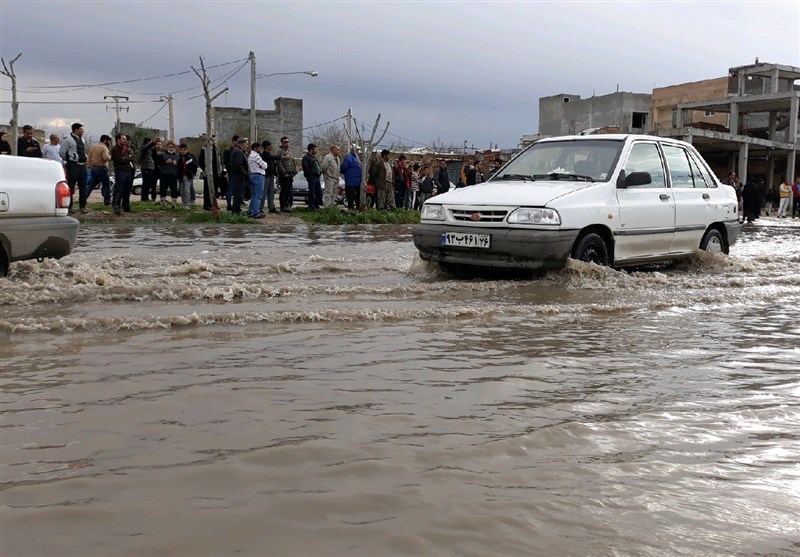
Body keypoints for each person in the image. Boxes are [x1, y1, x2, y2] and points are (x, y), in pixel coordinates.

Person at [59, 122, 88, 213]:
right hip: (73, 165)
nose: (83, 131)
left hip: (82, 165)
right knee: (71, 186)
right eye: (81, 129)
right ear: (76, 129)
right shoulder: (67, 140)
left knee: (83, 186)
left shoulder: (82, 140)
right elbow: (62, 152)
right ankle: (69, 206)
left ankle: (82, 206)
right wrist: (71, 159)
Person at [110, 134, 135, 215]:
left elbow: (132, 157)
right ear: (118, 140)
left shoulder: (127, 149)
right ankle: (116, 206)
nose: (125, 141)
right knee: (119, 189)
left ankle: (126, 207)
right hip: (120, 171)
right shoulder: (115, 149)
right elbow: (119, 160)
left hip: (128, 171)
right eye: (123, 139)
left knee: (127, 190)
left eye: (125, 139)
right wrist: (127, 158)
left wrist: (126, 158)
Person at [199, 135, 226, 210]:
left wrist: (221, 169)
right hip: (208, 174)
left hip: (216, 173)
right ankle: (207, 205)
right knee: (207, 190)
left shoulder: (217, 149)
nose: (213, 141)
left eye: (214, 140)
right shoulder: (204, 149)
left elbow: (220, 160)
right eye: (211, 140)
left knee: (215, 190)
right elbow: (200, 161)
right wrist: (205, 169)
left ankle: (214, 204)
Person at [87, 134, 112, 206]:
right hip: (102, 168)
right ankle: (107, 201)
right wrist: (110, 157)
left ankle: (83, 198)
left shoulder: (93, 147)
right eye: (108, 141)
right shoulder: (104, 148)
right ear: (105, 140)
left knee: (91, 185)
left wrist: (89, 166)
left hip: (93, 168)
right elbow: (105, 158)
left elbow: (89, 158)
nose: (109, 143)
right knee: (106, 185)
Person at [259, 140, 283, 214]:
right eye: (270, 145)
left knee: (271, 192)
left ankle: (271, 206)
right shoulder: (265, 154)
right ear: (267, 146)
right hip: (266, 176)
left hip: (271, 175)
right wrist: (282, 157)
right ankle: (260, 208)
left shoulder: (268, 154)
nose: (271, 147)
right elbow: (272, 157)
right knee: (264, 192)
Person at [227, 137, 249, 215]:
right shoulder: (239, 152)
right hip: (238, 176)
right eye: (246, 143)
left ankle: (237, 209)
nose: (247, 145)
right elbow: (238, 165)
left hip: (236, 176)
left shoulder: (237, 151)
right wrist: (244, 173)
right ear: (242, 144)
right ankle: (236, 211)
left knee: (238, 194)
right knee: (238, 194)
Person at [247, 142, 268, 218]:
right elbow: (264, 165)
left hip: (252, 175)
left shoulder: (251, 155)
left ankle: (250, 211)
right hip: (258, 175)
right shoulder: (256, 156)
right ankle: (256, 212)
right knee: (258, 195)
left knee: (254, 195)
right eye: (259, 148)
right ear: (255, 148)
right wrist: (263, 164)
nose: (261, 149)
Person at [276, 136, 296, 212]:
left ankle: (287, 204)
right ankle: (283, 206)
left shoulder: (289, 151)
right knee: (284, 191)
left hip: (290, 173)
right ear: (282, 143)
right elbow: (278, 163)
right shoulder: (280, 151)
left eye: (287, 142)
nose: (287, 143)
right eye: (285, 142)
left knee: (288, 190)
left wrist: (294, 171)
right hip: (284, 174)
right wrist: (284, 172)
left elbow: (292, 161)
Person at [159, 140, 180, 209]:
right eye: (169, 146)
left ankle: (174, 204)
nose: (171, 148)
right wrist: (166, 162)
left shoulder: (177, 156)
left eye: (172, 147)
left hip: (173, 175)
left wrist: (176, 164)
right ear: (167, 147)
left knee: (174, 189)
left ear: (174, 148)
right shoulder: (162, 155)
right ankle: (164, 204)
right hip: (164, 174)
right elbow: (158, 164)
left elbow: (180, 166)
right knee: (163, 189)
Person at [339, 145, 362, 210]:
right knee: (350, 197)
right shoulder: (348, 157)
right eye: (357, 149)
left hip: (357, 181)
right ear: (353, 149)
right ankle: (350, 210)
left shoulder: (357, 158)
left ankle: (358, 209)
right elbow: (343, 168)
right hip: (351, 181)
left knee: (358, 197)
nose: (358, 151)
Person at [302, 143, 323, 210]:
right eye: (315, 149)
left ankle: (316, 205)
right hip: (312, 177)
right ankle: (311, 206)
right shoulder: (306, 157)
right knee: (312, 192)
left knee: (318, 192)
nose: (316, 151)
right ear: (311, 149)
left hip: (317, 177)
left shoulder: (314, 157)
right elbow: (305, 167)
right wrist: (310, 175)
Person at [178, 143, 198, 210]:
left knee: (187, 190)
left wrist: (193, 173)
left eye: (184, 150)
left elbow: (195, 165)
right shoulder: (178, 157)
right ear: (179, 150)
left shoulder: (191, 157)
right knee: (181, 191)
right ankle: (184, 204)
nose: (183, 151)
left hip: (188, 176)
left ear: (187, 150)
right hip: (180, 176)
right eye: (182, 150)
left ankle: (187, 205)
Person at [139, 137, 160, 202]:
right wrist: (153, 142)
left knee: (148, 184)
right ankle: (144, 198)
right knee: (145, 183)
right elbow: (147, 146)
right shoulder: (143, 148)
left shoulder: (149, 150)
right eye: (150, 142)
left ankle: (146, 197)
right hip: (146, 168)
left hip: (150, 168)